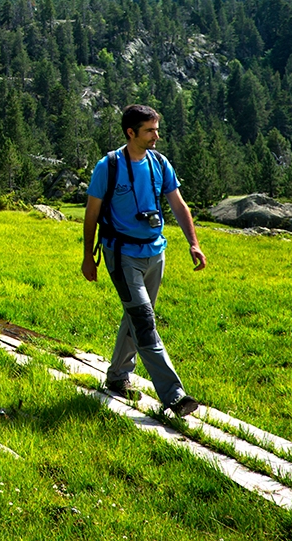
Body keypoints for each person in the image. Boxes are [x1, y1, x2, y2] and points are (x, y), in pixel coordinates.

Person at [81, 104, 207, 418]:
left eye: (156, 129)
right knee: (144, 321)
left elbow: (178, 205)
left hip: (155, 252)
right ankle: (175, 396)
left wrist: (193, 243)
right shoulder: (108, 166)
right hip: (121, 254)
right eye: (150, 130)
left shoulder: (159, 163)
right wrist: (88, 257)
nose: (156, 136)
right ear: (131, 132)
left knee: (138, 316)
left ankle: (117, 377)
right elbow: (92, 215)